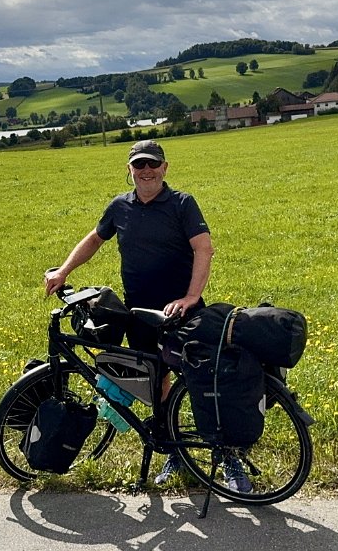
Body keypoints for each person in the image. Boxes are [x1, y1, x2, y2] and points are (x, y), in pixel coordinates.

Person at [44, 139, 215, 486]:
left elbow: (204, 249)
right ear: (130, 170)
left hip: (181, 311)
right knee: (157, 381)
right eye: (139, 165)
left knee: (199, 381)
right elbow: (95, 238)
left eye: (153, 164)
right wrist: (63, 270)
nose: (146, 171)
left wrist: (191, 296)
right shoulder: (120, 207)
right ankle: (174, 451)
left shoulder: (182, 204)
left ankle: (223, 452)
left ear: (165, 168)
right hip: (141, 312)